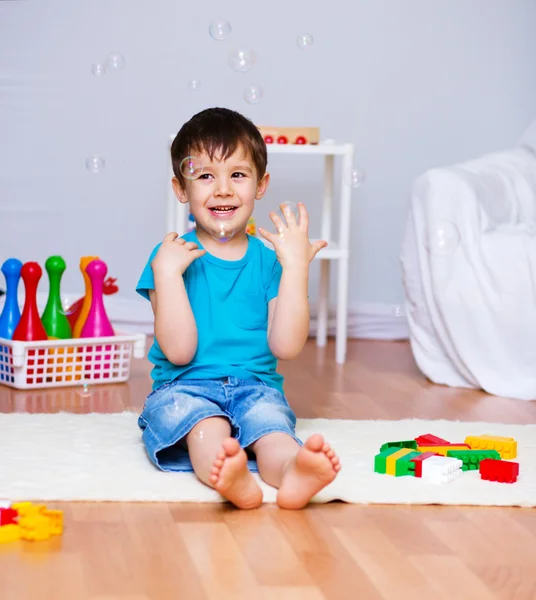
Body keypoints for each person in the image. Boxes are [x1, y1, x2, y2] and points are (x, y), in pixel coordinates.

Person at [136, 107, 341, 509]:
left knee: (271, 429)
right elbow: (179, 352)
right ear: (181, 188)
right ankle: (229, 477)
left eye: (238, 174)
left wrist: (295, 268)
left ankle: (291, 473)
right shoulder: (169, 258)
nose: (224, 189)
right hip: (185, 388)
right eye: (205, 175)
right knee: (202, 425)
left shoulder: (268, 260)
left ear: (260, 185)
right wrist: (167, 276)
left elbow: (287, 346)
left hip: (256, 387)